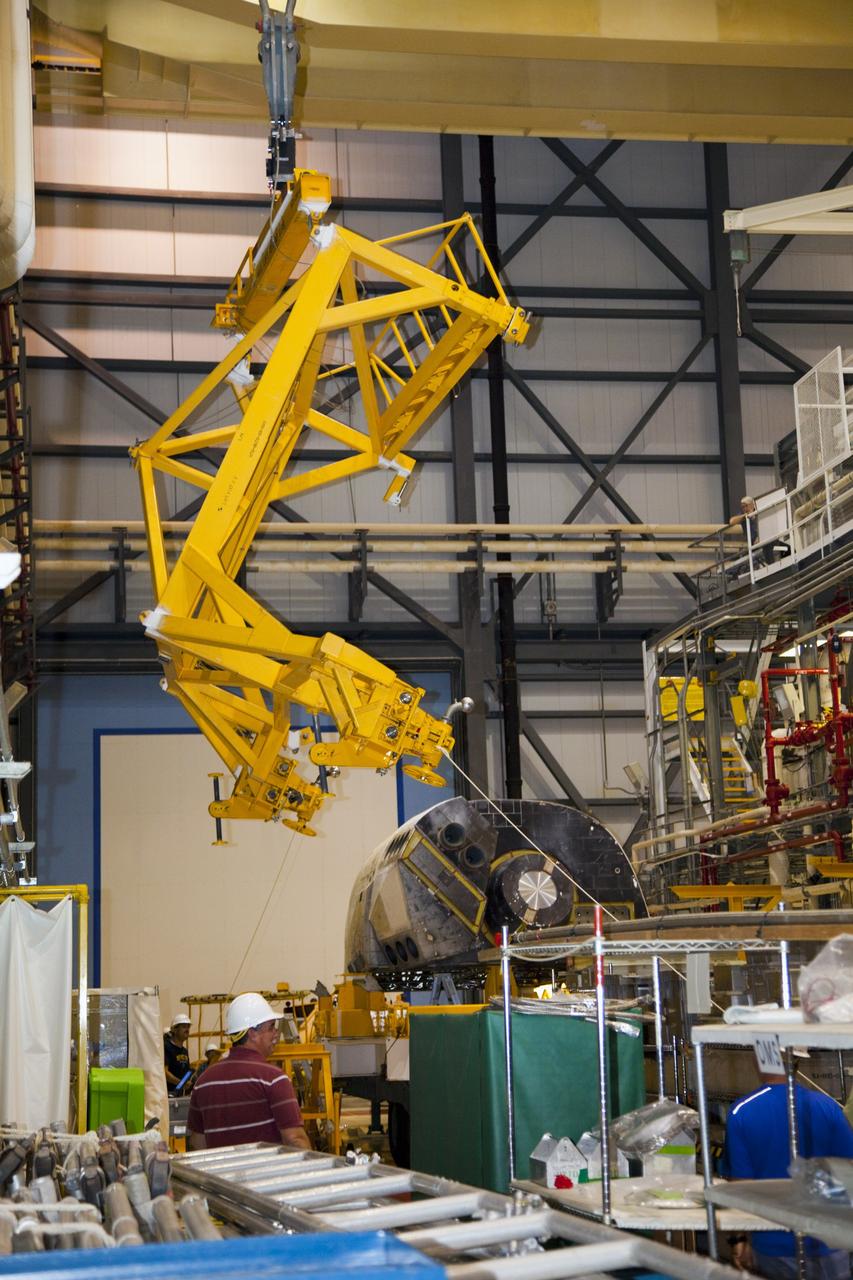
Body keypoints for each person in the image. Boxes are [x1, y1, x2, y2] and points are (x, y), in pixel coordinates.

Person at [722, 1054, 853, 1280]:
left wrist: (740, 1238)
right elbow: (848, 1170)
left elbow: (742, 1186)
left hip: (772, 1241)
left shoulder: (742, 1112)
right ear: (798, 1062)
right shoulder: (828, 1107)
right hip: (829, 1240)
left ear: (759, 1060)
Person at [186, 993, 310, 1150]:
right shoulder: (273, 1078)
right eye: (271, 1027)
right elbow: (295, 1140)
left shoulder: (203, 1082)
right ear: (252, 1033)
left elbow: (197, 1144)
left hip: (218, 1174)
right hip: (267, 1174)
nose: (276, 1034)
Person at [163, 1013, 192, 1095]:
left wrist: (188, 1081)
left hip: (180, 1095)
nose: (187, 1030)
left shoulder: (185, 1051)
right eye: (183, 1027)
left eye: (188, 1027)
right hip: (168, 1095)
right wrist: (181, 1083)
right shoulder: (166, 1047)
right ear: (174, 1030)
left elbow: (187, 1072)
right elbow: (164, 1072)